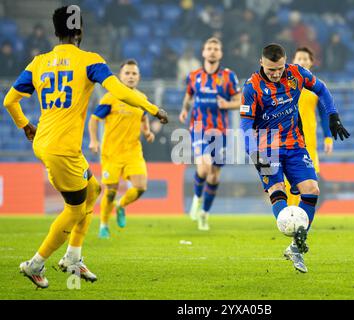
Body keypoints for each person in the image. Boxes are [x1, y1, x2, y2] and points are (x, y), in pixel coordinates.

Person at [2, 6, 168, 289]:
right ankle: (35, 264)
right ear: (80, 32)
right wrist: (152, 108)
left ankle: (73, 258)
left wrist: (25, 125)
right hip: (62, 149)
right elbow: (119, 91)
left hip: (47, 140)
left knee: (93, 191)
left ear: (56, 32)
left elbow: (9, 100)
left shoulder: (38, 62)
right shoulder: (89, 61)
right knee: (75, 209)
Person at [239, 44, 349, 273]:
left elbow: (322, 89)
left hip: (296, 145)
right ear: (261, 62)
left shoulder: (297, 73)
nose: (276, 74)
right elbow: (245, 125)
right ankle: (293, 229)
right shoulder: (251, 88)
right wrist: (253, 153)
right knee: (277, 189)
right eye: (271, 70)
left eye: (279, 68)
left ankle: (294, 246)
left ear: (285, 62)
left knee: (312, 190)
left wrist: (333, 115)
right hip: (266, 147)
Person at [88, 59, 156, 239]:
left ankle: (121, 205)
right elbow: (94, 119)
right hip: (111, 153)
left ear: (139, 77)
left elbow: (143, 117)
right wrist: (94, 141)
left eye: (134, 73)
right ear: (120, 76)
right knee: (110, 192)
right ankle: (103, 225)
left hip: (133, 152)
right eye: (127, 73)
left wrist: (147, 132)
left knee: (140, 187)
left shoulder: (141, 99)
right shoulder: (110, 97)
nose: (131, 76)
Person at [179, 37, 241, 231]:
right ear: (203, 53)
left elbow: (239, 101)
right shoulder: (194, 75)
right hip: (198, 127)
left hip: (220, 131)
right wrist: (184, 109)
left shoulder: (228, 76)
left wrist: (227, 104)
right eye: (209, 48)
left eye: (216, 48)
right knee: (204, 166)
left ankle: (204, 213)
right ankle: (197, 198)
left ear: (220, 54)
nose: (212, 51)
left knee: (214, 176)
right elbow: (189, 96)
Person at [285, 47, 334, 206]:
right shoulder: (285, 85)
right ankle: (291, 214)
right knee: (288, 182)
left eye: (306, 58)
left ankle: (302, 216)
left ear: (312, 62)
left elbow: (324, 114)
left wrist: (328, 137)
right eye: (299, 58)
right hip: (287, 140)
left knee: (310, 182)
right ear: (293, 61)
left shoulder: (317, 87)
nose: (302, 61)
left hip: (309, 143)